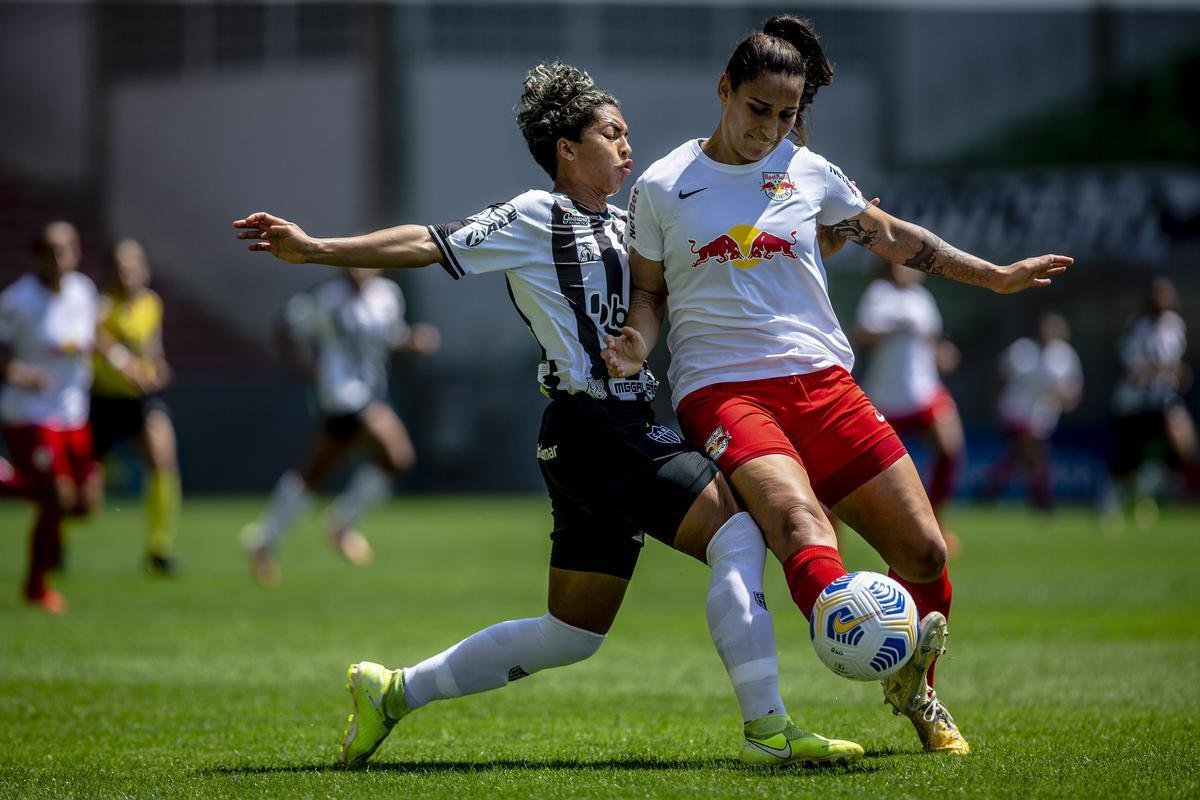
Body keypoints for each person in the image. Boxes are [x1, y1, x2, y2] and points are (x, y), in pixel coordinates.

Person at [234, 61, 863, 768]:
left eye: (627, 135)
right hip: (600, 428)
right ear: (567, 149)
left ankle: (393, 692)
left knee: (571, 633)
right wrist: (317, 248)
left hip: (592, 436)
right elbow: (429, 241)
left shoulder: (629, 222)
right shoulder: (537, 216)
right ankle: (769, 729)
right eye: (611, 134)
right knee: (740, 532)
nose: (627, 147)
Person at [606, 15, 1073, 755]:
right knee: (798, 524)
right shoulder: (663, 186)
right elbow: (652, 294)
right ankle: (851, 631)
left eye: (786, 115)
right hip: (724, 390)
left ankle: (915, 685)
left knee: (924, 553)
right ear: (724, 90)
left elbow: (888, 235)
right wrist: (637, 342)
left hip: (824, 384)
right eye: (757, 108)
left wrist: (994, 275)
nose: (769, 129)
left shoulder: (807, 171)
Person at [240, 267, 441, 587]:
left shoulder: (386, 294)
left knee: (314, 472)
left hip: (370, 390)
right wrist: (309, 367)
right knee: (397, 455)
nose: (359, 267)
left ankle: (264, 539)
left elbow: (387, 339)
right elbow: (284, 328)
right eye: (353, 260)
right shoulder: (327, 297)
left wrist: (411, 342)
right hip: (340, 394)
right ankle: (341, 524)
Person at [0, 221, 103, 613]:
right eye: (52, 252)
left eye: (68, 250)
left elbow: (93, 341)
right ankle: (36, 587)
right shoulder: (18, 301)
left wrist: (128, 365)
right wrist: (20, 373)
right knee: (56, 498)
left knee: (84, 504)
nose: (61, 259)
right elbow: (1, 352)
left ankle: (7, 480)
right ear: (38, 256)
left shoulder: (83, 291)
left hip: (73, 412)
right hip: (29, 412)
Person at [854, 259, 964, 551]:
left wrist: (942, 354)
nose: (910, 269)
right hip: (886, 398)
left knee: (950, 448)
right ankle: (834, 530)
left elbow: (931, 340)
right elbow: (862, 334)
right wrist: (893, 327)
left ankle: (937, 520)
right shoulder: (880, 295)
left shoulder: (922, 299)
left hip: (924, 392)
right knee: (858, 468)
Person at [90, 239, 181, 574]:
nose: (126, 272)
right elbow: (99, 341)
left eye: (132, 265)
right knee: (82, 486)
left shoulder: (150, 304)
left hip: (138, 399)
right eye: (120, 266)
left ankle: (159, 548)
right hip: (102, 399)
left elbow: (152, 350)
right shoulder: (101, 304)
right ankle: (58, 543)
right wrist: (127, 368)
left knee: (163, 461)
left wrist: (158, 370)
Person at [1105, 277, 1195, 526]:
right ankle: (1113, 504)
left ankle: (1143, 492)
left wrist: (1178, 372)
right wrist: (1158, 369)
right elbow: (1132, 367)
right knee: (1126, 460)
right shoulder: (1137, 326)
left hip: (1162, 399)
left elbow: (1175, 363)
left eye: (1164, 295)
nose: (1160, 300)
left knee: (1182, 446)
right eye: (1156, 295)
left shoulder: (1174, 325)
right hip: (1134, 402)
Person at [981, 313, 1083, 509]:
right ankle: (1042, 500)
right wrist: (993, 402)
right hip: (1015, 412)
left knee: (1016, 459)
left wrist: (1066, 400)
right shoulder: (1022, 350)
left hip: (1044, 417)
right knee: (1033, 455)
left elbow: (1074, 390)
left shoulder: (1065, 356)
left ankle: (990, 491)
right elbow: (997, 375)